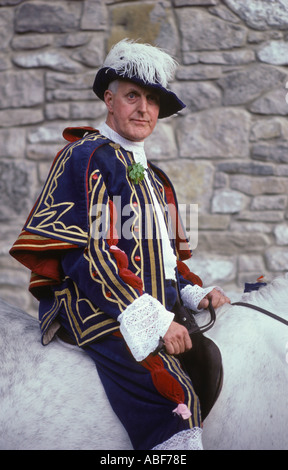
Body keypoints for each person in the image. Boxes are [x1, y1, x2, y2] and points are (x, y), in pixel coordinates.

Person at [10, 39, 230, 450]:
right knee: (169, 397)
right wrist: (157, 321)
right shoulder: (86, 156)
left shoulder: (156, 177)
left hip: (154, 301)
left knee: (211, 361)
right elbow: (89, 255)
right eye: (132, 96)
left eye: (151, 100)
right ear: (110, 100)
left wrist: (194, 293)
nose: (144, 109)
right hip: (96, 305)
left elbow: (165, 257)